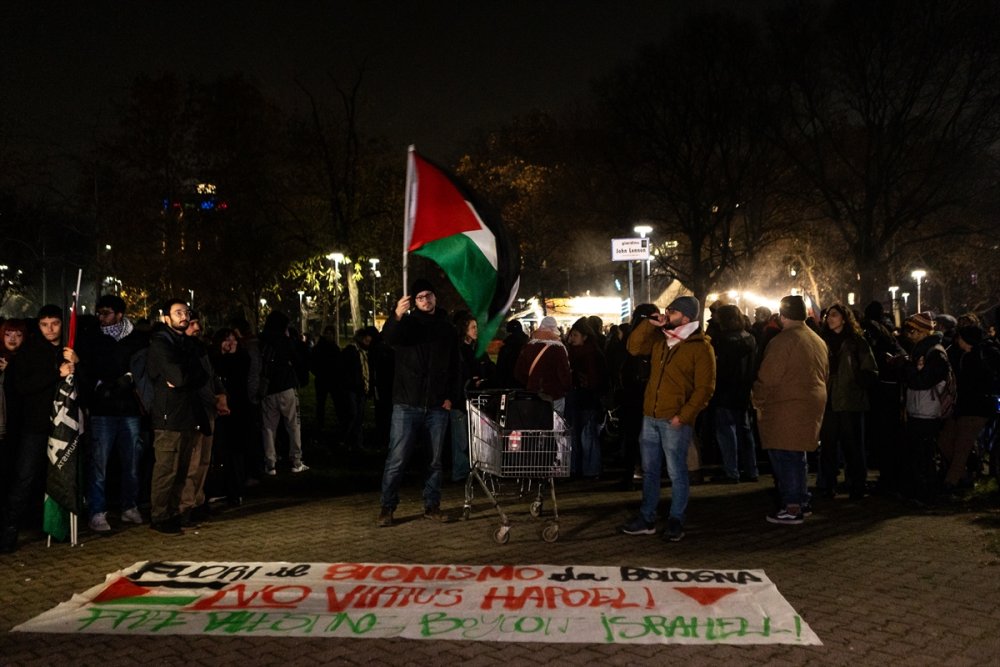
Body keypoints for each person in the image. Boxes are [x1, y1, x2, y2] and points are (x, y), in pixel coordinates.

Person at [619, 295, 715, 542]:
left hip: (674, 419)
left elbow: (705, 388)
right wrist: (648, 324)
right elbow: (633, 347)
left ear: (685, 317)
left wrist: (684, 416)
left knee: (676, 472)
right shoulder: (662, 341)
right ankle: (647, 517)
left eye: (672, 311)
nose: (666, 314)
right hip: (650, 415)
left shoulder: (700, 347)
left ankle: (676, 520)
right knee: (650, 471)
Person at [377, 278, 460, 527]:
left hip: (437, 405)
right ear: (414, 301)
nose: (425, 300)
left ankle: (432, 505)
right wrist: (396, 315)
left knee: (434, 460)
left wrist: (450, 397)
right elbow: (388, 338)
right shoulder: (407, 324)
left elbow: (455, 365)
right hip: (407, 402)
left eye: (429, 295)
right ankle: (387, 507)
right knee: (397, 458)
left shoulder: (446, 328)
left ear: (435, 297)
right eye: (420, 297)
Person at [1, 306, 78, 552]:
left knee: (61, 476)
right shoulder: (30, 351)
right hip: (34, 426)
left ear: (62, 324)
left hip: (64, 426)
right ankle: (8, 533)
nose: (50, 329)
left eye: (54, 323)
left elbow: (83, 386)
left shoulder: (70, 350)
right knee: (24, 478)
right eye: (44, 325)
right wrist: (57, 373)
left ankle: (57, 527)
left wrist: (77, 364)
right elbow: (23, 386)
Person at [76, 294, 149, 533]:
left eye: (106, 313)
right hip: (102, 408)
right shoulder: (92, 338)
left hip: (129, 409)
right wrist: (99, 386)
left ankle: (130, 506)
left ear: (119, 314)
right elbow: (84, 368)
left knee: (132, 462)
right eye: (99, 313)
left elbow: (142, 367)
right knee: (99, 463)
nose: (101, 318)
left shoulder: (136, 339)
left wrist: (128, 379)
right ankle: (97, 511)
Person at [753, 295, 829, 525]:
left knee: (784, 455)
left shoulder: (783, 341)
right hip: (810, 402)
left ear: (783, 315)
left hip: (786, 405)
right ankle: (801, 501)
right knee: (797, 455)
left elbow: (768, 377)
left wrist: (757, 398)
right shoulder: (816, 339)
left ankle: (792, 505)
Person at [145, 299, 209, 534]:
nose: (184, 316)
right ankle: (160, 516)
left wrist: (184, 375)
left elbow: (201, 375)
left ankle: (174, 513)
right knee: (166, 469)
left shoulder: (186, 343)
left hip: (187, 415)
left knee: (182, 469)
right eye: (178, 312)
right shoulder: (161, 344)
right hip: (168, 417)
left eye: (186, 312)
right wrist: (184, 376)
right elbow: (179, 377)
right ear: (166, 318)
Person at [816, 303, 878, 501]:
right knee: (828, 446)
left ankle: (857, 485)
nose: (830, 318)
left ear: (844, 318)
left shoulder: (856, 342)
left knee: (853, 447)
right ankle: (828, 485)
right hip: (829, 401)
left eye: (834, 315)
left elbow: (870, 369)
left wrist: (857, 382)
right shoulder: (822, 341)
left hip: (851, 401)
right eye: (828, 315)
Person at [178, 311, 229, 526]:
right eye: (192, 324)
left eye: (197, 323)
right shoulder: (183, 349)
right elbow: (196, 383)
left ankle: (198, 501)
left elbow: (211, 376)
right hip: (194, 411)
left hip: (208, 410)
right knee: (192, 461)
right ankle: (185, 506)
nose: (197, 328)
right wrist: (214, 399)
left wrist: (221, 394)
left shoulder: (200, 349)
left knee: (204, 461)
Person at [896, 312, 953, 504]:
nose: (908, 335)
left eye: (912, 331)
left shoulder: (935, 353)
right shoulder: (920, 351)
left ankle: (927, 493)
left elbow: (922, 381)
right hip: (918, 408)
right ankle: (918, 491)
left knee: (925, 455)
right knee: (917, 454)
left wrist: (907, 367)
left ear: (923, 331)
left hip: (928, 410)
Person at [937, 326, 997, 495]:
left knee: (962, 447)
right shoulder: (960, 354)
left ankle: (950, 482)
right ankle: (963, 475)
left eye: (961, 337)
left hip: (976, 408)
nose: (958, 340)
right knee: (945, 441)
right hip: (961, 407)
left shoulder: (983, 355)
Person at [252, 311, 309, 475]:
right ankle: (296, 460)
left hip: (268, 388)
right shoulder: (285, 341)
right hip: (286, 387)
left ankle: (270, 463)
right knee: (293, 425)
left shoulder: (261, 341)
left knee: (269, 427)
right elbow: (297, 360)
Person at [709, 304, 759, 484]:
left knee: (726, 433)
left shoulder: (722, 341)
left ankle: (731, 471)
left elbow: (719, 368)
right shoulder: (750, 339)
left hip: (725, 391)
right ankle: (751, 469)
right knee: (745, 431)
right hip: (743, 391)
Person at [618, 304, 659, 488]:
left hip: (634, 393)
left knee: (633, 436)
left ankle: (631, 473)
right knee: (646, 437)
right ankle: (644, 472)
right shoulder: (657, 336)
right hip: (646, 392)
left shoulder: (633, 338)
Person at [209, 328, 252, 506]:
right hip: (220, 410)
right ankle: (221, 488)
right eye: (227, 339)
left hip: (238, 410)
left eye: (233, 339)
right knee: (221, 451)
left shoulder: (242, 358)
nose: (231, 343)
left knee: (236, 451)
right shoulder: (214, 360)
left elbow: (240, 376)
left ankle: (236, 490)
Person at [450, 311, 494, 482]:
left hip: (475, 399)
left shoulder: (476, 349)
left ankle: (472, 469)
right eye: (473, 327)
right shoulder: (459, 350)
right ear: (464, 329)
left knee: (473, 436)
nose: (476, 330)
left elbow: (488, 368)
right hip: (461, 400)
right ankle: (461, 472)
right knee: (461, 438)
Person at [566, 317, 607, 479]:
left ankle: (591, 470)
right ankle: (576, 468)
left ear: (585, 336)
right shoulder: (572, 352)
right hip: (575, 397)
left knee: (587, 435)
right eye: (571, 335)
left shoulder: (592, 354)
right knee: (575, 434)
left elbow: (597, 380)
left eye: (575, 335)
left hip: (589, 399)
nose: (572, 338)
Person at [514, 316, 572, 414]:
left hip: (533, 395)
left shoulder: (528, 347)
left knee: (535, 421)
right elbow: (564, 375)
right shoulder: (559, 348)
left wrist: (532, 383)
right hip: (554, 396)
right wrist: (566, 388)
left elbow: (518, 373)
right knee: (554, 421)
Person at [339, 327, 374, 452]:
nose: (367, 344)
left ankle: (356, 442)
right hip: (352, 388)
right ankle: (346, 440)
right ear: (360, 339)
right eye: (366, 341)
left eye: (369, 342)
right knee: (353, 415)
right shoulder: (351, 351)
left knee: (359, 417)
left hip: (360, 389)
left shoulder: (364, 353)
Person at [310, 325, 341, 438]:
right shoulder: (320, 348)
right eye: (327, 333)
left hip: (331, 379)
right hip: (323, 379)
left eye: (331, 333)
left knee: (335, 402)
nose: (329, 335)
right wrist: (318, 373)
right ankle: (320, 424)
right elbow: (312, 363)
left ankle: (335, 423)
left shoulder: (333, 348)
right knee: (321, 403)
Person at [493, 320, 528, 389]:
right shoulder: (527, 344)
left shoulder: (507, 346)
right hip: (523, 382)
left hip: (508, 382)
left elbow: (500, 367)